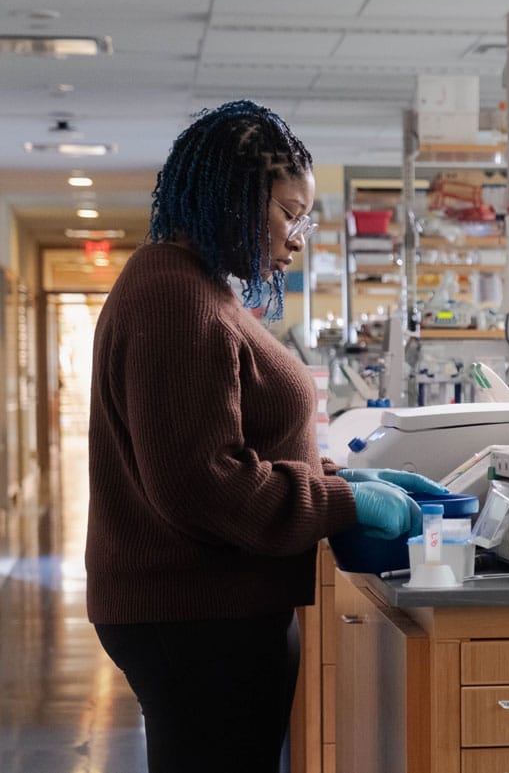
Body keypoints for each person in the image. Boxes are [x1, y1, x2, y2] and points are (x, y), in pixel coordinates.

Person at [86, 100, 443, 773]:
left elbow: (226, 449)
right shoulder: (174, 298)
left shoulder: (197, 286)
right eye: (289, 214)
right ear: (233, 198)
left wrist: (339, 479)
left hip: (208, 614)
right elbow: (203, 484)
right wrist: (344, 502)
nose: (298, 237)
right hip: (196, 619)